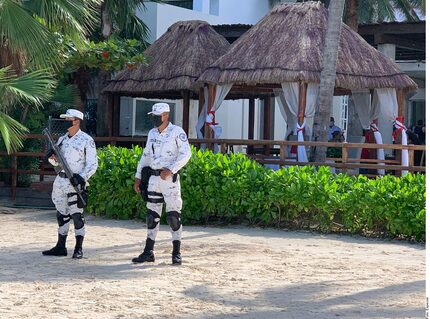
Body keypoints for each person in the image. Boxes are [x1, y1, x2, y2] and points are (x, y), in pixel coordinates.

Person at [132, 102, 192, 265]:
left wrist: (172, 170)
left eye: (157, 116)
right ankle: (148, 252)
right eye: (154, 116)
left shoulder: (177, 132)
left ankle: (176, 252)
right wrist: (138, 176)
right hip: (153, 179)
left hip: (169, 180)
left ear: (166, 115)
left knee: (173, 216)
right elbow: (146, 155)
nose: (155, 119)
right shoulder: (152, 133)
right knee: (152, 216)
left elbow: (186, 154)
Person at [42, 109, 98, 259]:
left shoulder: (87, 140)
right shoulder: (62, 139)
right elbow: (57, 163)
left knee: (77, 215)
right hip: (60, 181)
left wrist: (81, 177)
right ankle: (61, 246)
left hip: (75, 183)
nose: (66, 122)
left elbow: (93, 164)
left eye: (68, 119)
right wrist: (51, 157)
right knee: (61, 214)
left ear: (77, 121)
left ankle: (78, 248)